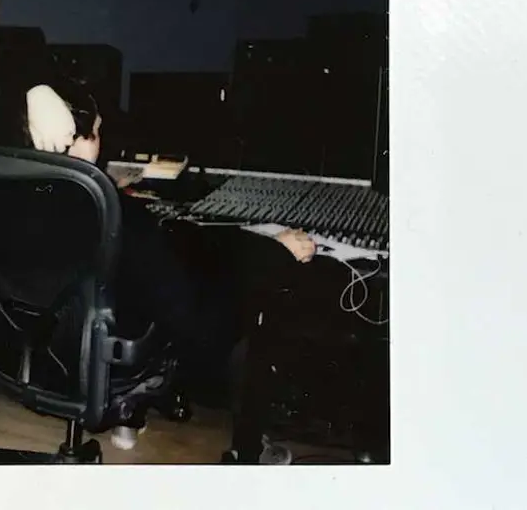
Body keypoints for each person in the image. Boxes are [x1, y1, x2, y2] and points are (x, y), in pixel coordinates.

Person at [18, 79, 317, 408]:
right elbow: (191, 321)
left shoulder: (12, 192)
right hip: (108, 359)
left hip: (37, 356)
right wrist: (273, 251)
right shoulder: (118, 216)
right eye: (97, 132)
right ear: (76, 139)